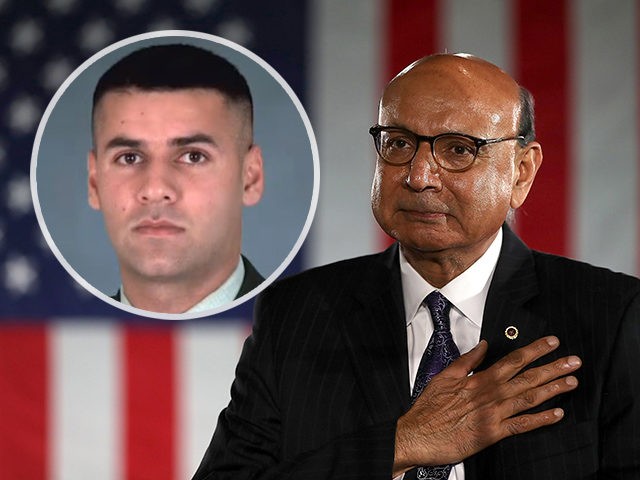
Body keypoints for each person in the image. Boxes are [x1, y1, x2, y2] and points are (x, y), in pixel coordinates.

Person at [192, 54, 640, 479]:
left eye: (459, 150)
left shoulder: (613, 316)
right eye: (399, 143)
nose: (418, 175)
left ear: (521, 172)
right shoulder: (296, 314)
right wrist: (400, 445)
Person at [88, 44, 265, 314]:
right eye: (129, 158)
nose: (156, 189)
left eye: (193, 156)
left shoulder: (316, 335)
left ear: (250, 177)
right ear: (94, 182)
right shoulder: (58, 344)